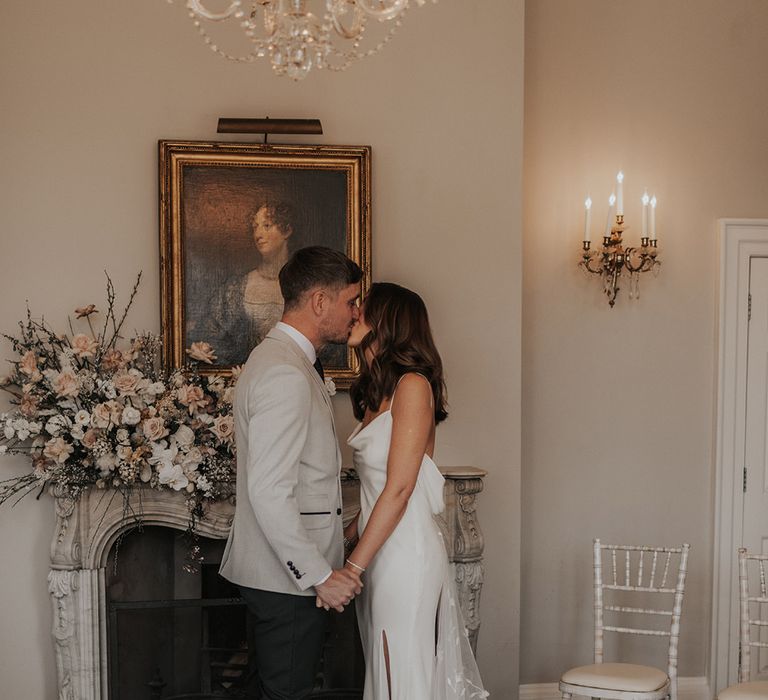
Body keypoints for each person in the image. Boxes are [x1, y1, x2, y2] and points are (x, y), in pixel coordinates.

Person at [219, 246, 364, 699]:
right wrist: (321, 576)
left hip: (281, 575)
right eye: (352, 301)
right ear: (320, 302)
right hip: (288, 582)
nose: (356, 313)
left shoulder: (287, 361)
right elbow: (268, 491)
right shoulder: (284, 372)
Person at [340, 282, 488, 700]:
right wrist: (345, 537)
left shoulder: (413, 385)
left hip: (406, 554)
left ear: (387, 322)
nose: (353, 314)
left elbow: (401, 488)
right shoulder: (374, 392)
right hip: (378, 547)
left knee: (401, 668)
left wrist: (352, 567)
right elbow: (375, 492)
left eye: (362, 309)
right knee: (384, 667)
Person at [200, 202, 296, 366]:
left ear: (287, 230)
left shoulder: (305, 287)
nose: (258, 234)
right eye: (255, 227)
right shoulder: (234, 289)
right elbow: (212, 336)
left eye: (267, 226)